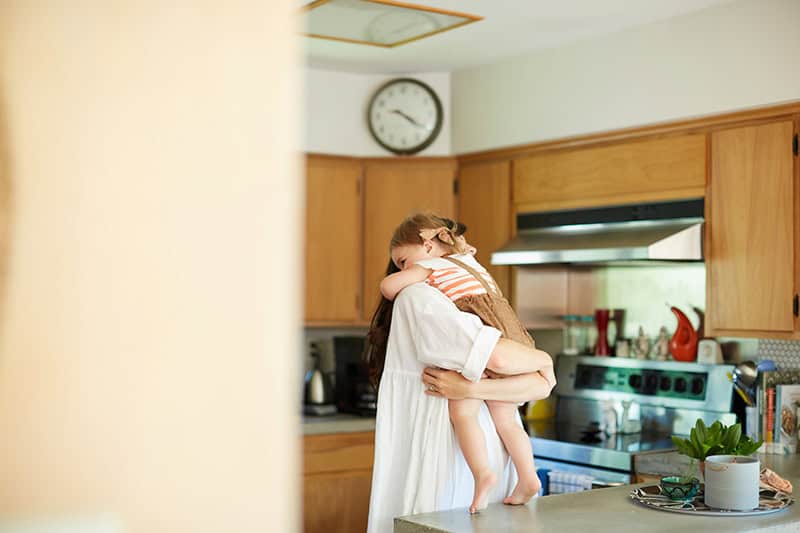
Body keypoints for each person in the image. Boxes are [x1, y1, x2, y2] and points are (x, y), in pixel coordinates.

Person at [364, 214, 556, 533]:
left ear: (427, 245)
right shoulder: (420, 296)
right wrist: (542, 361)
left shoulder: (432, 287)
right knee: (503, 421)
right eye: (399, 266)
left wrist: (470, 389)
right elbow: (514, 368)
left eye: (403, 262)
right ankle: (525, 475)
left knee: (473, 414)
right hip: (450, 476)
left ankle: (504, 475)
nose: (402, 271)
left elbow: (536, 385)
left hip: (471, 476)